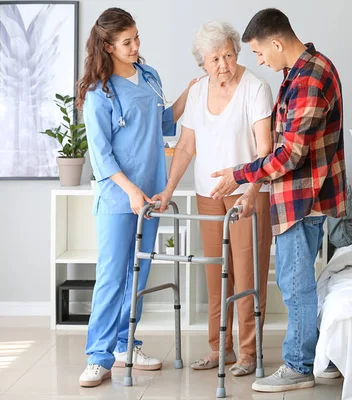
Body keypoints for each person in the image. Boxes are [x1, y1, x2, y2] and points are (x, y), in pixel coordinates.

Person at [210, 8, 347, 392]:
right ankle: (324, 357)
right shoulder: (304, 70)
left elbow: (291, 154)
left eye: (257, 53)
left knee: (294, 283)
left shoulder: (308, 78)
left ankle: (299, 367)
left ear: (275, 41)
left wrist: (240, 173)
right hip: (303, 195)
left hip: (302, 199)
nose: (259, 61)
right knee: (300, 281)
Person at [76, 7, 196, 387]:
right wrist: (130, 191)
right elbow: (101, 153)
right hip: (118, 195)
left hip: (152, 192)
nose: (135, 46)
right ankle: (98, 356)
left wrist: (191, 93)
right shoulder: (99, 93)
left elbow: (165, 122)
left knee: (138, 272)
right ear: (108, 46)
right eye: (127, 42)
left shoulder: (149, 76)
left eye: (137, 38)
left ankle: (127, 345)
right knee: (112, 274)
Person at [152, 21, 273, 377]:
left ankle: (250, 353)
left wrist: (250, 192)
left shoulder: (256, 89)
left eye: (228, 55)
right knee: (216, 276)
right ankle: (219, 348)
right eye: (214, 58)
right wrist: (169, 190)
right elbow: (186, 146)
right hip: (207, 196)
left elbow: (265, 150)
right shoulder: (198, 91)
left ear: (237, 52)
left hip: (246, 195)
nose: (223, 64)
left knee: (248, 276)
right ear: (202, 63)